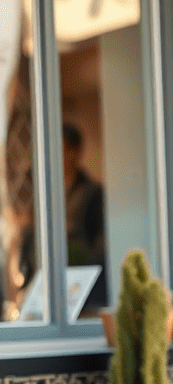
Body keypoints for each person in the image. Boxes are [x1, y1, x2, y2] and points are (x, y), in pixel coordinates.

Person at [62, 121, 107, 310]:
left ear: (75, 152)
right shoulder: (44, 194)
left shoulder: (93, 192)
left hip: (85, 285)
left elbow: (101, 241)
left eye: (64, 149)